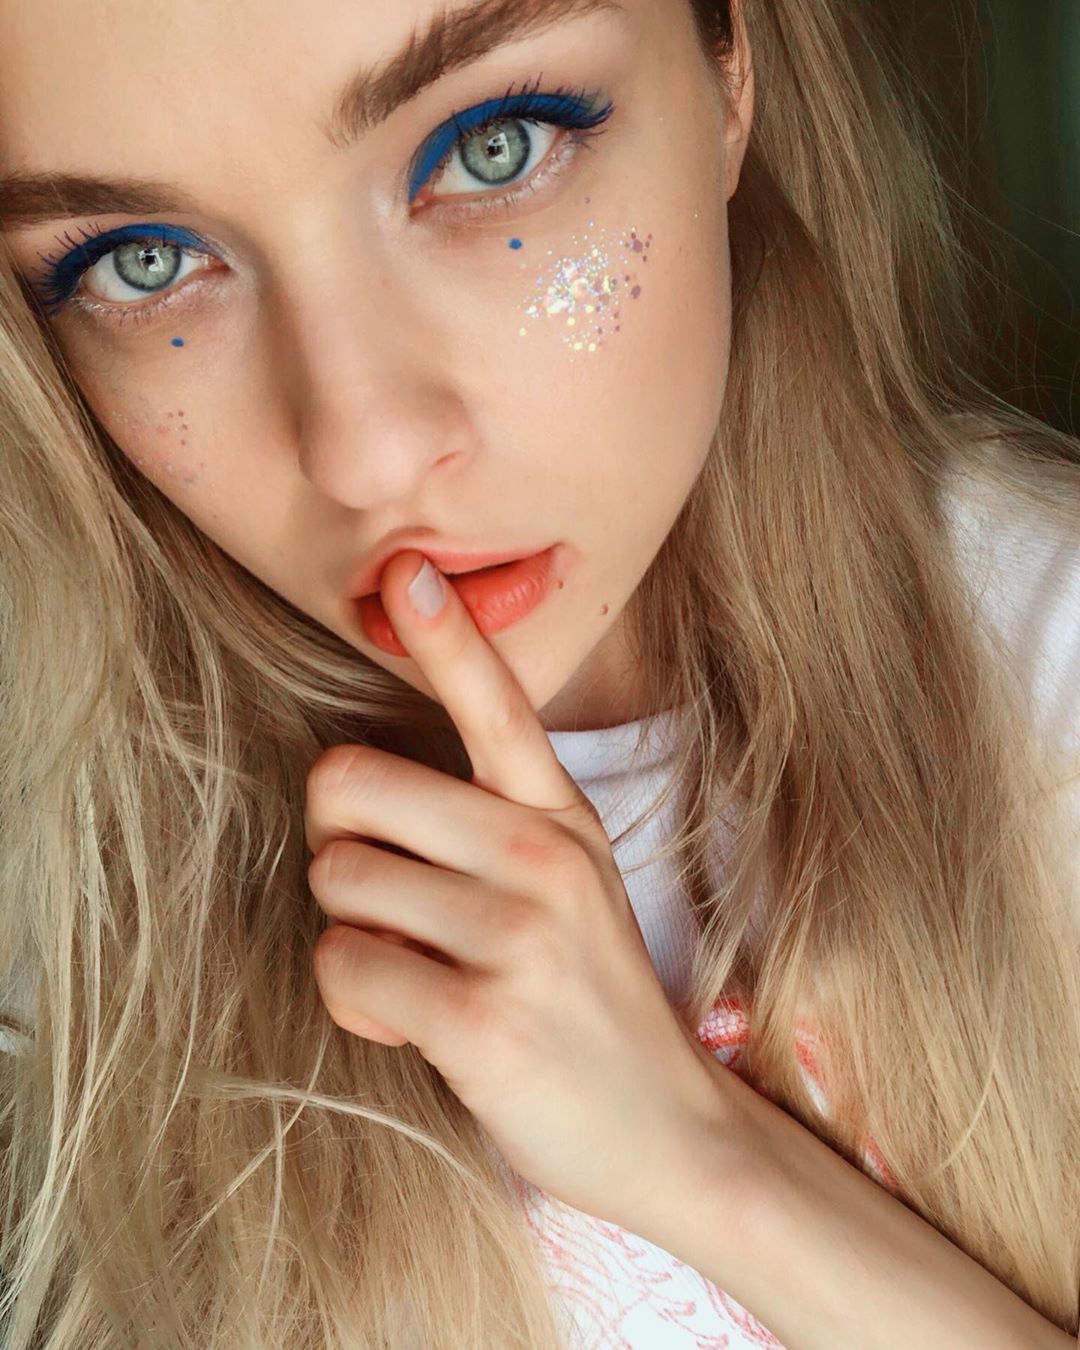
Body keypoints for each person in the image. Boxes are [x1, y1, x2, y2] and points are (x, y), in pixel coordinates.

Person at [0, 0, 1077, 1345]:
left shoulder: (1047, 673)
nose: (368, 454)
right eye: (143, 262)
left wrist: (697, 1159)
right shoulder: (66, 901)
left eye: (492, 145)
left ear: (730, 66)